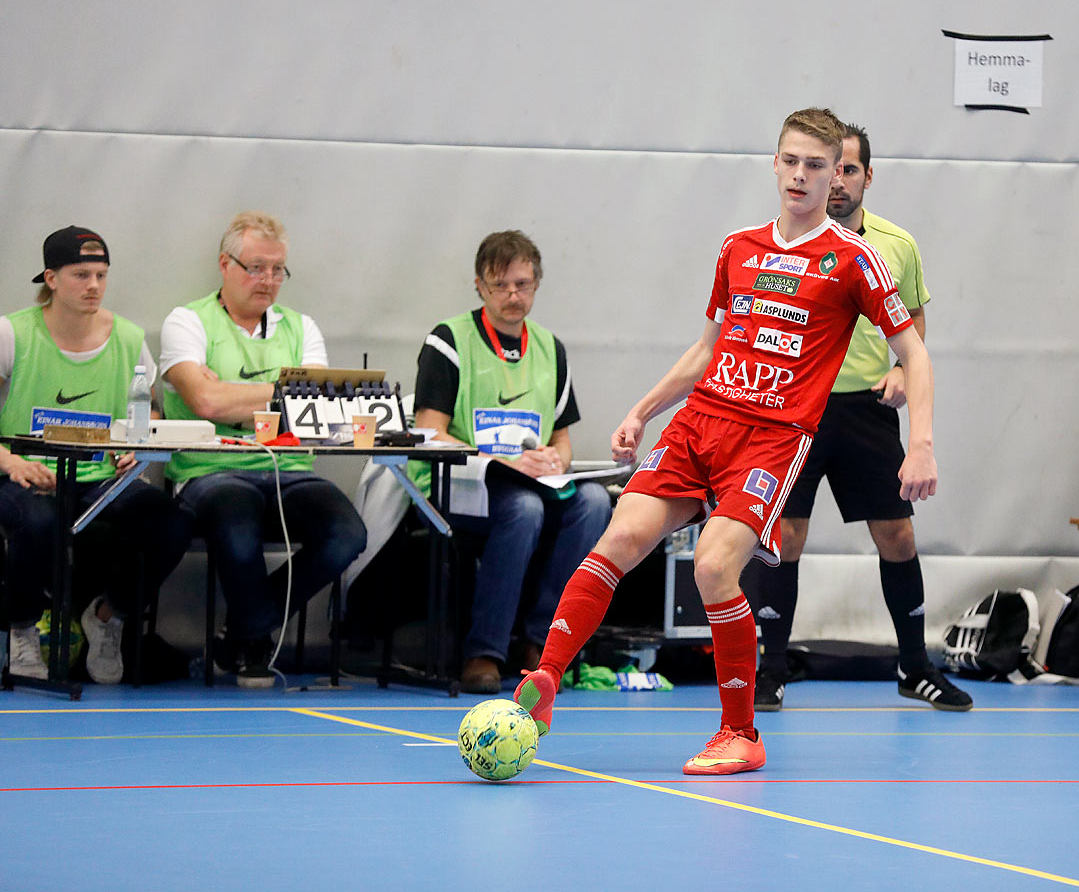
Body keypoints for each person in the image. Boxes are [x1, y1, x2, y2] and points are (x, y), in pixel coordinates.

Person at [513, 108, 937, 774]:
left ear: (837, 177)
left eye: (817, 165)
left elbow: (914, 351)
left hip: (772, 438)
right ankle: (540, 684)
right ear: (775, 164)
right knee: (620, 538)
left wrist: (922, 443)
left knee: (714, 567)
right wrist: (644, 410)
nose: (801, 175)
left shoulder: (857, 260)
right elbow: (707, 347)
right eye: (791, 161)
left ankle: (741, 734)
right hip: (700, 422)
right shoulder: (738, 247)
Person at [751, 124, 968, 713]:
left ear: (866, 176)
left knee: (897, 534)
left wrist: (903, 372)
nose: (837, 180)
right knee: (783, 537)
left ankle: (915, 666)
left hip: (864, 411)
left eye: (849, 170)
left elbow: (912, 326)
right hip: (793, 409)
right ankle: (768, 669)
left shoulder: (894, 246)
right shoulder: (778, 243)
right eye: (829, 167)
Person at [160, 212, 366, 686]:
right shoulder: (187, 321)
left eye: (277, 270)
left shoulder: (302, 327)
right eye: (256, 267)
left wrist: (235, 394)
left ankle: (243, 633)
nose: (268, 280)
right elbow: (203, 400)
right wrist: (281, 390)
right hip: (211, 470)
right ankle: (250, 644)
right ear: (224, 265)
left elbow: (317, 403)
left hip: (290, 469)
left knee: (347, 533)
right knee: (236, 518)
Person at [410, 230, 611, 694]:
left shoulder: (550, 348)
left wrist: (550, 459)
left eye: (522, 284)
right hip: (458, 481)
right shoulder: (449, 340)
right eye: (500, 286)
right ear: (480, 286)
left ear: (537, 284)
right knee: (524, 510)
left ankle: (542, 645)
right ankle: (484, 651)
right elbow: (429, 432)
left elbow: (562, 441)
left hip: (531, 481)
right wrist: (498, 459)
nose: (512, 296)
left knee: (596, 503)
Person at [1, 227, 190, 684]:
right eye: (80, 274)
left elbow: (153, 414)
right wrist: (11, 462)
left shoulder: (127, 337)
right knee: (37, 521)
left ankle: (108, 616)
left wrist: (135, 449)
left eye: (101, 275)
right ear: (50, 278)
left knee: (172, 520)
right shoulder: (12, 334)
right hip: (23, 472)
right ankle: (22, 627)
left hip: (99, 476)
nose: (94, 286)